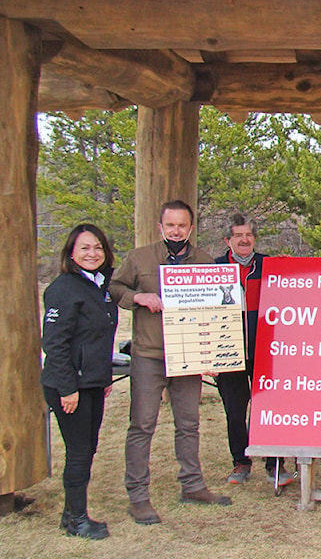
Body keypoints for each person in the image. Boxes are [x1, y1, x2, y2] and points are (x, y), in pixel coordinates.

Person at [109, 200, 231, 526]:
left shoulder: (205, 261)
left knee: (189, 424)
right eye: (170, 225)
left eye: (182, 226)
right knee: (142, 425)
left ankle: (192, 485)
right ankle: (137, 495)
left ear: (191, 228)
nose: (176, 231)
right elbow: (115, 287)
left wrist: (215, 352)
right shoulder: (139, 258)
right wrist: (138, 297)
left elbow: (219, 309)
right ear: (160, 227)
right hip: (149, 354)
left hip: (189, 355)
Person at [41, 224, 118, 540]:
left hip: (92, 382)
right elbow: (54, 344)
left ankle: (70, 513)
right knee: (78, 451)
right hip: (69, 385)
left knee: (88, 449)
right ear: (71, 253)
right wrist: (67, 387)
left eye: (97, 247)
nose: (92, 253)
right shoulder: (64, 288)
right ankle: (77, 519)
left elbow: (98, 337)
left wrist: (102, 377)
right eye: (85, 248)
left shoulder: (100, 285)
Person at [214, 213, 294, 487]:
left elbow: (297, 286)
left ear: (255, 238)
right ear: (228, 240)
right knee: (235, 410)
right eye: (238, 235)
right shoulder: (213, 269)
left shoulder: (269, 266)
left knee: (269, 409)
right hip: (229, 351)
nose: (244, 240)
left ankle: (275, 464)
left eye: (248, 235)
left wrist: (291, 268)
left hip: (266, 351)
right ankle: (241, 462)